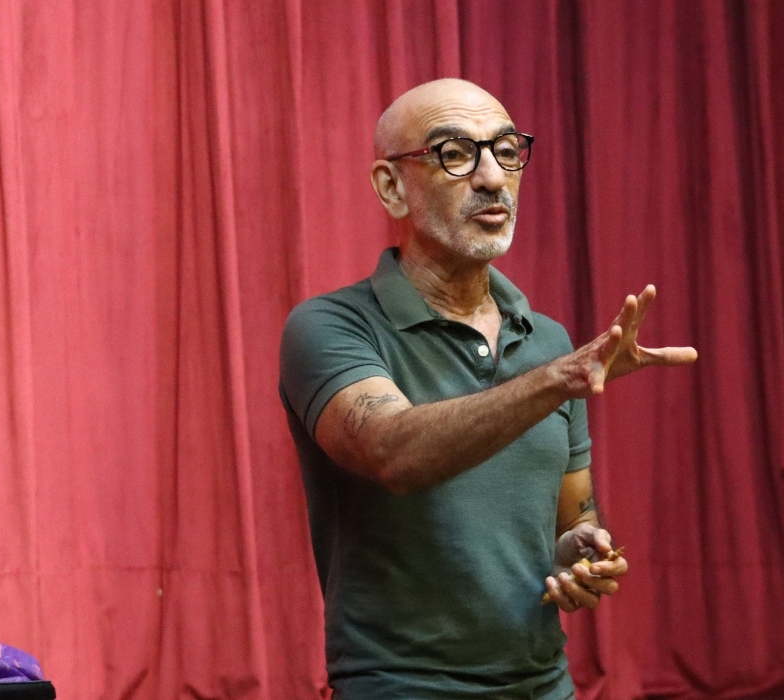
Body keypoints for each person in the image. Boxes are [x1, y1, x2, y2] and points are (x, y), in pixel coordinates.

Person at [279, 78, 697, 699]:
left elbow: (571, 517)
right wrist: (556, 380)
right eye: (454, 154)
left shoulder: (549, 341)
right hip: (400, 687)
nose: (492, 177)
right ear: (391, 187)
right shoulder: (330, 326)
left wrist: (580, 553)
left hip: (546, 685)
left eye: (506, 151)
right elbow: (391, 452)